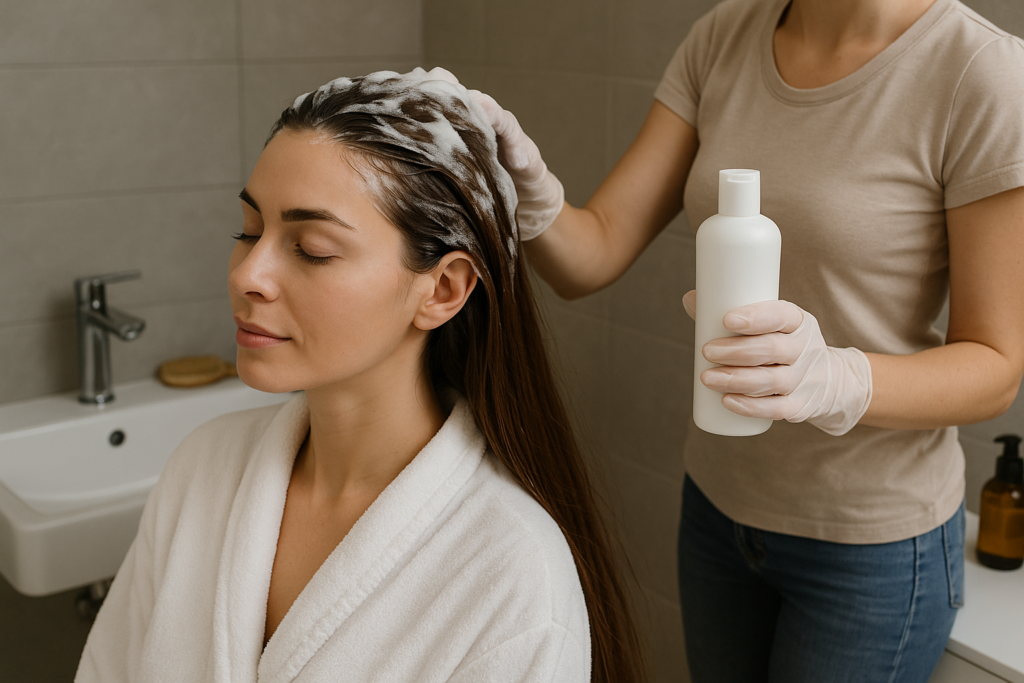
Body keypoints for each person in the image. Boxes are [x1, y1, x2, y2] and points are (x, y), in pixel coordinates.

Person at [475, 0, 1024, 680]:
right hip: (718, 510)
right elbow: (595, 253)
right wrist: (528, 191)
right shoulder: (725, 35)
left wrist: (836, 378)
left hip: (870, 547)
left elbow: (996, 367)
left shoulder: (980, 70)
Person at [75, 68, 644, 683]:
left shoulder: (510, 568)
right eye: (249, 231)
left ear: (443, 290)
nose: (248, 275)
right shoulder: (203, 468)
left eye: (312, 248)